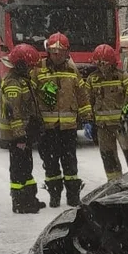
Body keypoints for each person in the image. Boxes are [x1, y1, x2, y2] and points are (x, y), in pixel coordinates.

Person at [35, 32, 91, 207]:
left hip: (68, 127)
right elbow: (31, 95)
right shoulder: (38, 69)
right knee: (50, 164)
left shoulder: (72, 70)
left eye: (60, 51)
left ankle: (73, 196)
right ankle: (54, 195)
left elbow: (82, 95)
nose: (57, 55)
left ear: (67, 52)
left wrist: (87, 118)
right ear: (48, 51)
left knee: (70, 164)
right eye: (53, 51)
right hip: (47, 128)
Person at [0, 44, 46, 214]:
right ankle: (19, 202)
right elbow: (14, 112)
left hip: (24, 133)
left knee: (26, 166)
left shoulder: (23, 79)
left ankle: (30, 198)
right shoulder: (13, 83)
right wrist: (20, 136)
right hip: (16, 135)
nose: (32, 69)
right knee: (19, 168)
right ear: (21, 65)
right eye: (30, 65)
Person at [86, 44, 128, 179]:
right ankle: (114, 183)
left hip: (123, 126)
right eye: (99, 64)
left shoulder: (123, 77)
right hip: (102, 127)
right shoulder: (92, 79)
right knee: (108, 157)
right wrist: (89, 120)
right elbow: (87, 101)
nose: (102, 67)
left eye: (104, 64)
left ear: (112, 63)